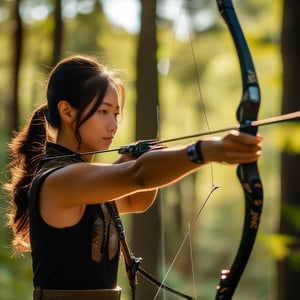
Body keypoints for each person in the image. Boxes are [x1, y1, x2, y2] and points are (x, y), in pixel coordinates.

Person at [4, 55, 262, 300]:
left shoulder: (87, 183)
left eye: (116, 113)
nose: (114, 125)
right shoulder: (59, 180)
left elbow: (136, 200)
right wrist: (205, 151)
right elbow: (139, 177)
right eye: (103, 112)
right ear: (67, 112)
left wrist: (137, 159)